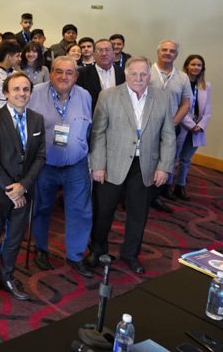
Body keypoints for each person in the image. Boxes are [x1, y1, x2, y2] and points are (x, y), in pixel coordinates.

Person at [86, 57, 175, 274]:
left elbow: (168, 135)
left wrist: (164, 167)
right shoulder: (108, 96)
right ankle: (97, 250)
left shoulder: (162, 98)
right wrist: (97, 164)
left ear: (149, 76)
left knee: (138, 213)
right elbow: (97, 133)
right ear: (125, 74)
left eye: (143, 74)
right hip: (111, 164)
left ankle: (130, 254)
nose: (139, 78)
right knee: (103, 210)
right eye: (134, 73)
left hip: (144, 165)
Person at [0, 72, 45, 307]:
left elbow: (40, 156)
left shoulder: (37, 120)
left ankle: (6, 277)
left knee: (14, 240)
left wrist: (23, 187)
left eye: (25, 89)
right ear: (6, 93)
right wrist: (11, 189)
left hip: (25, 193)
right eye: (16, 89)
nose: (21, 93)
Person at [27, 57, 94, 277]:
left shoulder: (84, 95)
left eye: (69, 72)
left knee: (80, 211)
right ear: (51, 73)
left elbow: (90, 128)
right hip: (44, 165)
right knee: (41, 208)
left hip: (76, 165)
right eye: (58, 71)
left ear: (75, 75)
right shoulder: (35, 93)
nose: (63, 77)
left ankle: (75, 255)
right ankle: (41, 249)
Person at [150, 39, 192, 212]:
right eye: (164, 50)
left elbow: (186, 104)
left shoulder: (182, 77)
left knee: (165, 161)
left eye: (172, 51)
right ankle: (131, 197)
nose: (168, 53)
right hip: (146, 125)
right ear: (158, 52)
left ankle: (156, 196)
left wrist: (172, 123)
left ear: (176, 55)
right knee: (142, 160)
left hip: (171, 126)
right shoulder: (146, 71)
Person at [173, 54, 211, 200]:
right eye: (193, 64)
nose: (196, 67)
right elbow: (177, 107)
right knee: (173, 157)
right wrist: (190, 124)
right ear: (187, 66)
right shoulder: (180, 83)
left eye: (199, 65)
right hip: (182, 124)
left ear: (202, 68)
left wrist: (200, 125)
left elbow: (207, 109)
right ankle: (166, 186)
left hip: (197, 128)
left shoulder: (205, 86)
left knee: (186, 159)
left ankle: (180, 186)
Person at [76, 39, 125, 111]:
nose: (104, 53)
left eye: (107, 50)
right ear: (94, 54)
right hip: (92, 116)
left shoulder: (123, 73)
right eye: (100, 50)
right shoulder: (82, 74)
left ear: (113, 53)